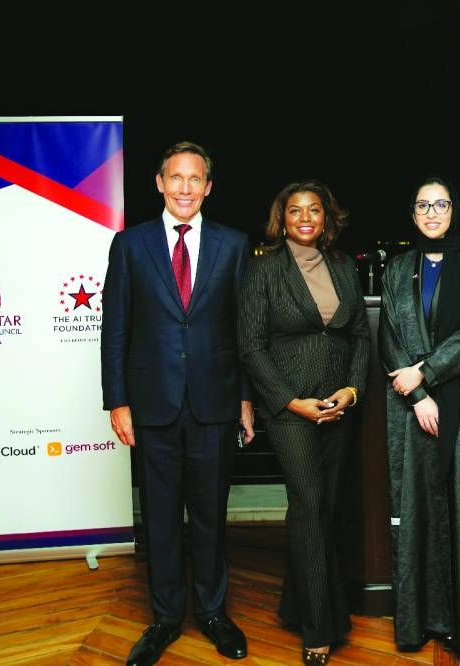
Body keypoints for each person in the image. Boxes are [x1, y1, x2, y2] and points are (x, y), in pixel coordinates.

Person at [101, 140, 256, 665]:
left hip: (215, 405)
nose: (185, 188)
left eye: (196, 179)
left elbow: (244, 332)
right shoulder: (130, 245)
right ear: (159, 183)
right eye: (176, 178)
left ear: (208, 187)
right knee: (162, 519)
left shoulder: (234, 245)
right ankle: (166, 619)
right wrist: (117, 401)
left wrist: (244, 399)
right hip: (153, 407)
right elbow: (115, 328)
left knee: (212, 516)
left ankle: (213, 612)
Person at [237, 179, 370, 666]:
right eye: (296, 211)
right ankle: (318, 631)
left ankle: (299, 604)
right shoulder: (262, 271)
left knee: (323, 511)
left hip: (338, 408)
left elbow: (358, 335)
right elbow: (250, 345)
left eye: (315, 209)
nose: (306, 218)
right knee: (310, 506)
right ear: (283, 219)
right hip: (291, 412)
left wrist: (352, 391)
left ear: (327, 217)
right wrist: (291, 402)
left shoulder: (343, 267)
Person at [378, 175, 460, 660]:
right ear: (412, 214)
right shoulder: (398, 266)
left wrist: (425, 372)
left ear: (454, 210)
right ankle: (414, 623)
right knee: (413, 504)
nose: (431, 213)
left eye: (440, 204)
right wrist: (419, 393)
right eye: (423, 205)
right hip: (409, 403)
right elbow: (388, 332)